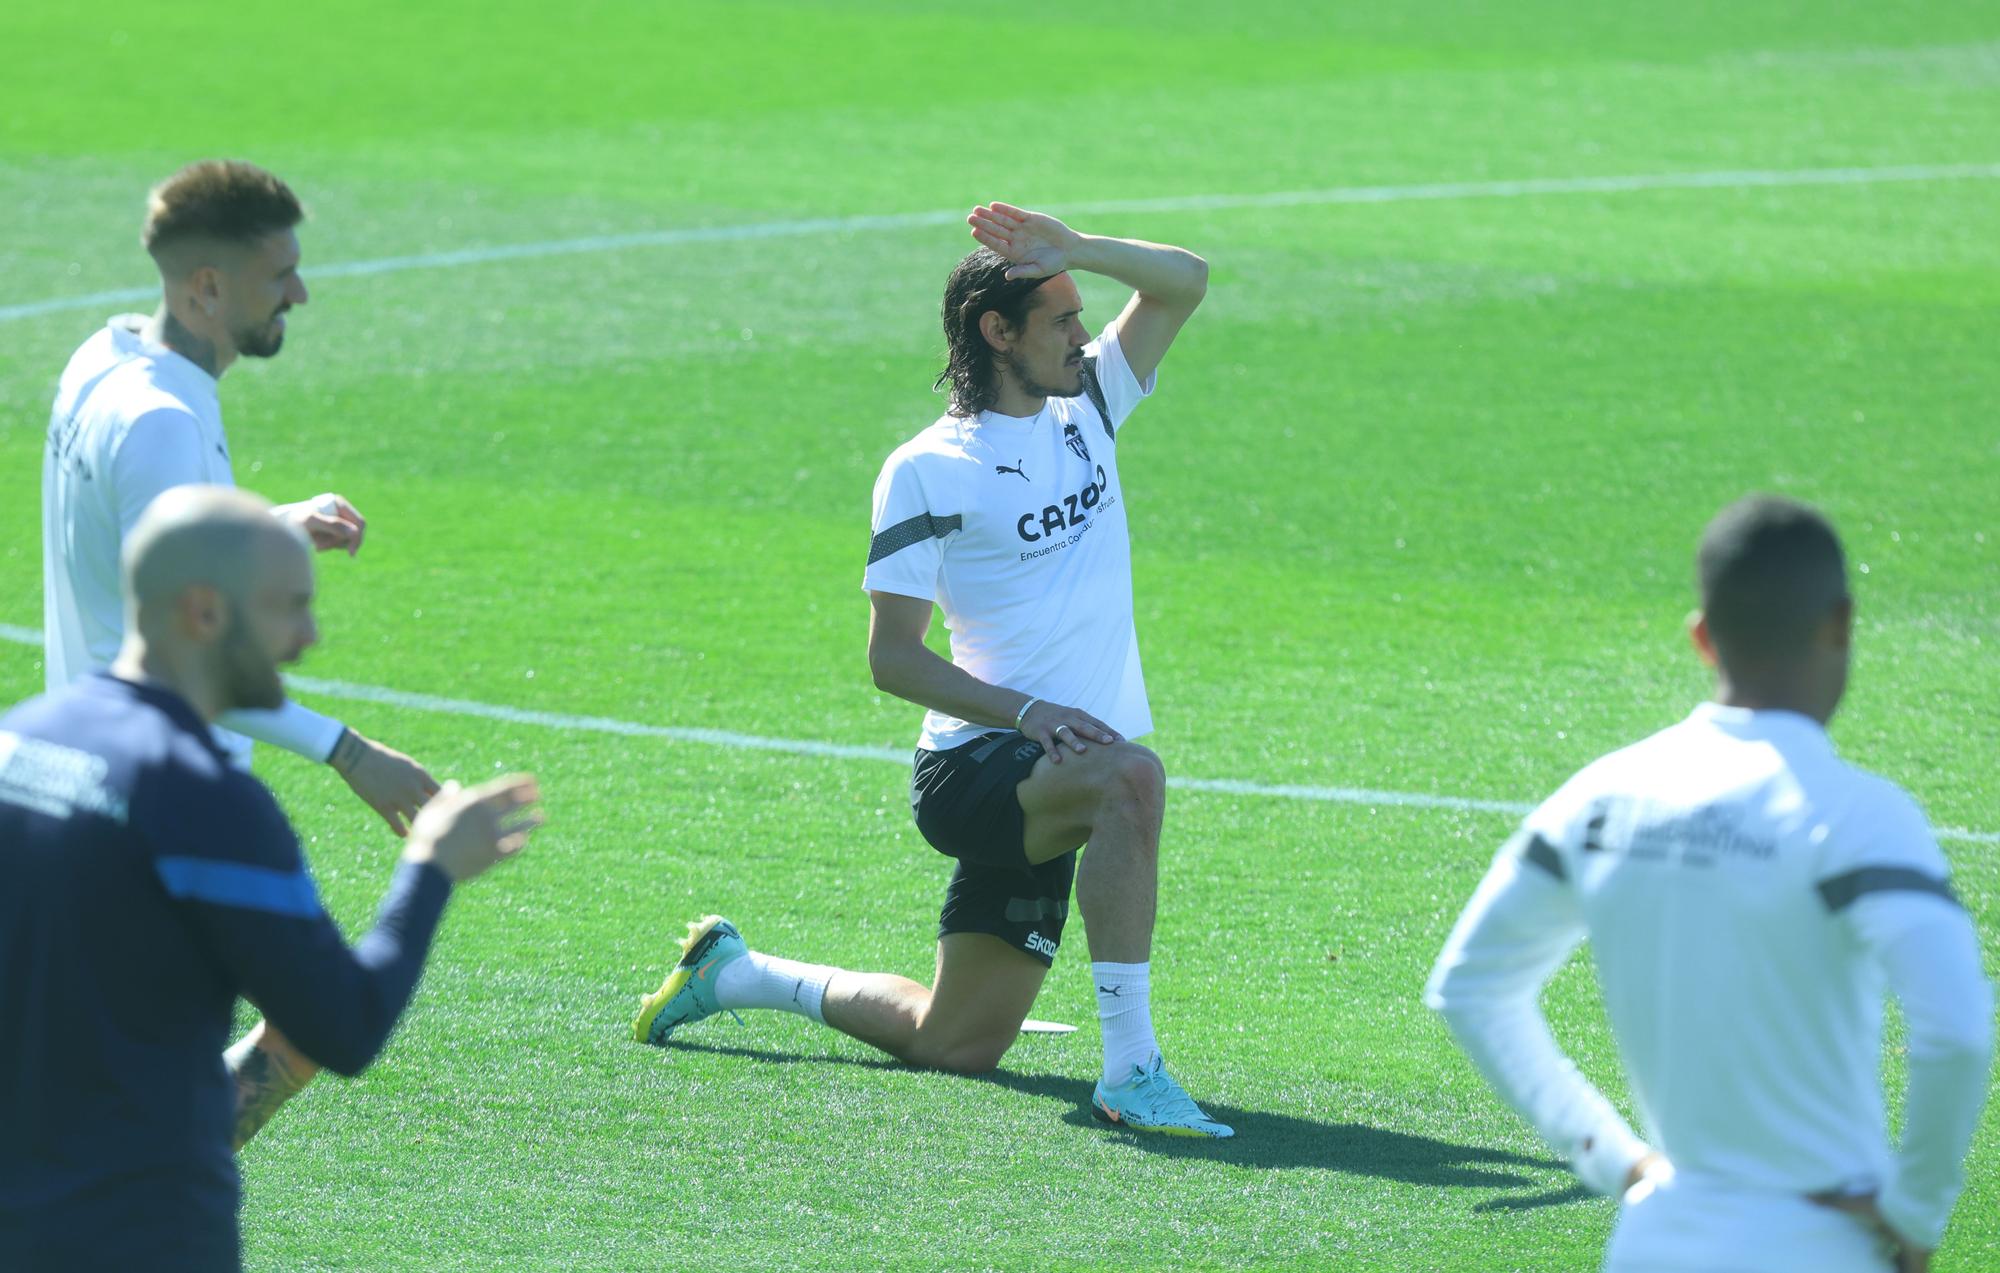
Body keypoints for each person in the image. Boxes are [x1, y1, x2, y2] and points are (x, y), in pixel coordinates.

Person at [632, 202, 1231, 1136]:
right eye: (1061, 320)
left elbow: (1184, 279)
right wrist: (1027, 710)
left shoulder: (1092, 402)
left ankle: (735, 972)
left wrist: (1074, 249)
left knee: (953, 1044)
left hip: (1051, 769)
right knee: (1134, 783)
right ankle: (1133, 1071)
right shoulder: (927, 469)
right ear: (999, 334)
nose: (1084, 335)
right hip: (977, 767)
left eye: (1082, 316)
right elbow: (892, 659)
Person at [1425, 495, 1993, 1272]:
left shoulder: (1603, 796)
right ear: (1842, 622)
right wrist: (1915, 1210)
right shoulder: (1862, 815)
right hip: (1822, 1246)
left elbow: (1470, 986)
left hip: (1655, 1241)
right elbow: (1956, 1030)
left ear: (1701, 636)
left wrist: (1614, 1157)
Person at [0, 486, 542, 1271]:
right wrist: (430, 867)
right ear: (205, 611)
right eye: (289, 608)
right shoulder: (203, 799)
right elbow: (344, 1027)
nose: (308, 636)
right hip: (137, 1235)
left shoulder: (18, 741)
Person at [42, 159, 440, 1143]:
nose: (300, 292)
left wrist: (259, 522)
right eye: (279, 275)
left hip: (94, 775)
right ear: (206, 287)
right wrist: (350, 751)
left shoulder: (104, 362)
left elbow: (138, 542)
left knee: (161, 1083)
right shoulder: (168, 424)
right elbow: (194, 648)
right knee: (192, 1092)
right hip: (158, 810)